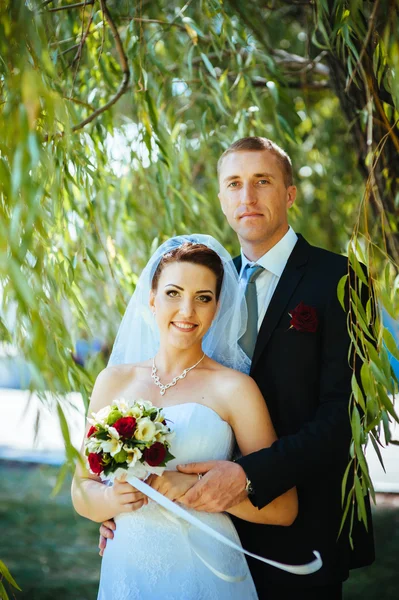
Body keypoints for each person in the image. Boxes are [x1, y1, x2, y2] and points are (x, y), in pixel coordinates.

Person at [99, 137, 375, 599]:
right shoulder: (205, 285)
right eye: (234, 184)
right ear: (222, 198)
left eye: (262, 182)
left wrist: (249, 477)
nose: (247, 196)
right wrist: (118, 504)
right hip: (204, 530)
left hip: (299, 530)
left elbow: (344, 417)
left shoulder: (341, 280)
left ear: (288, 193)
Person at [72, 236, 300, 600]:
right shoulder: (113, 381)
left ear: (217, 307)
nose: (187, 311)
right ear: (151, 298)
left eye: (203, 298)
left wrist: (195, 489)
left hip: (207, 572)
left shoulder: (235, 389)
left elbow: (284, 508)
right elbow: (81, 487)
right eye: (173, 293)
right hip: (126, 571)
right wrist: (115, 499)